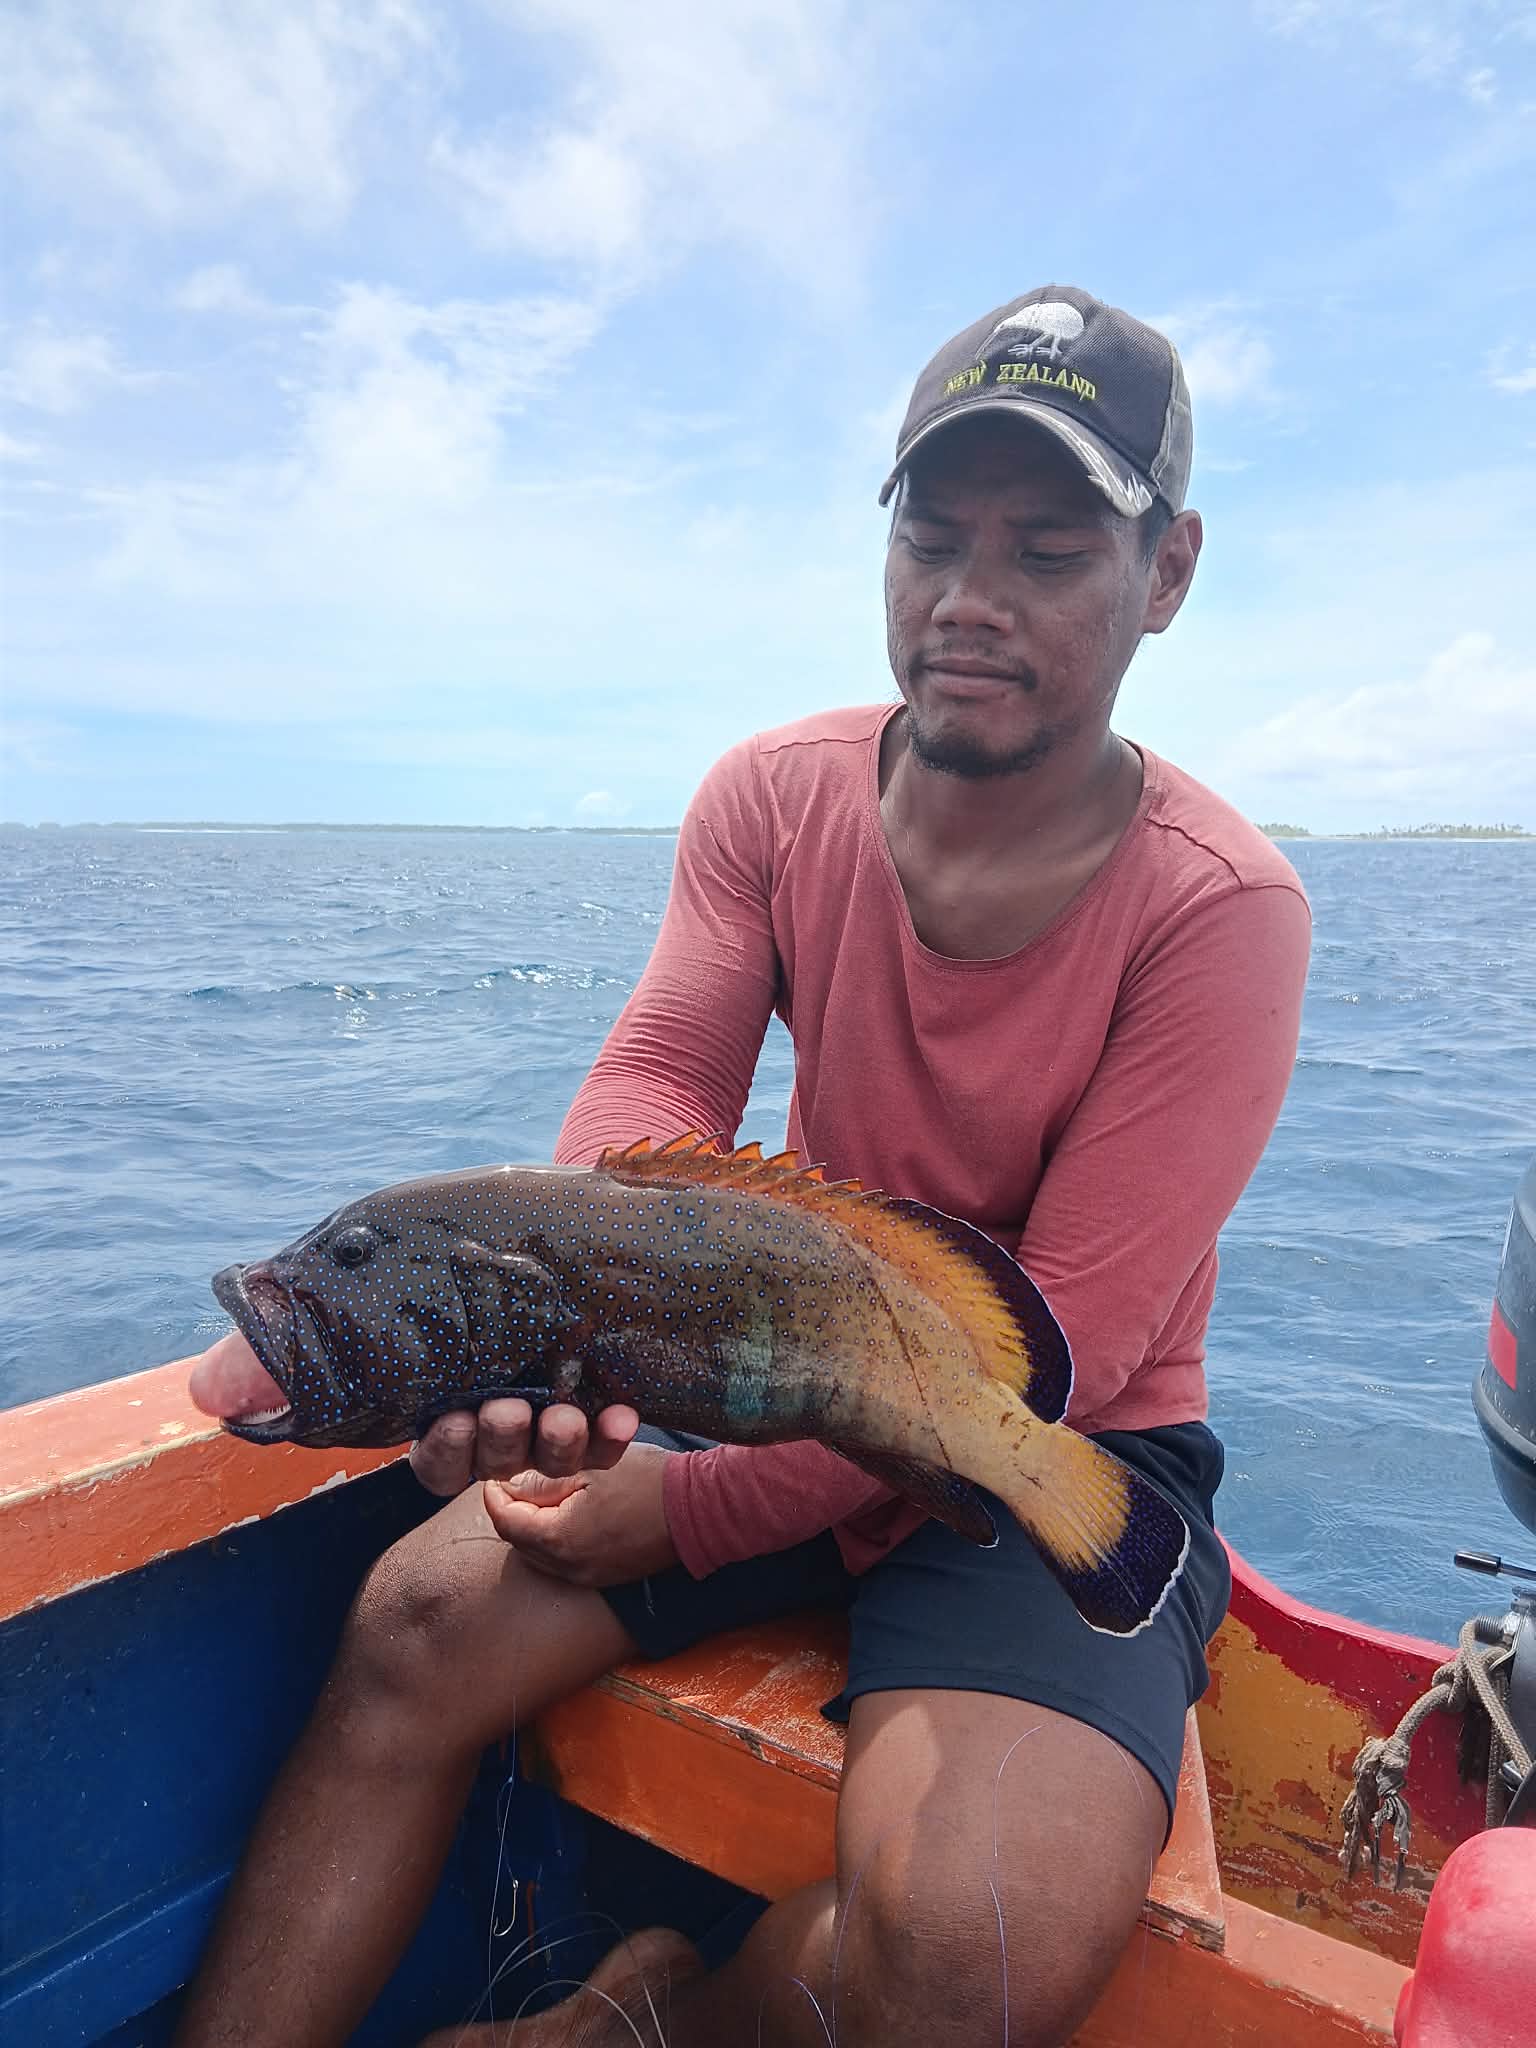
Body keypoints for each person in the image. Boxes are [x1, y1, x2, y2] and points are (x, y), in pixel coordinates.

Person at [175, 285, 1311, 2048]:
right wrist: (558, 1322)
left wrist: (684, 1500)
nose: (969, 603)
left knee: (971, 1949)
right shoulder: (769, 799)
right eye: (931, 540)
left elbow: (1058, 1343)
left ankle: (656, 2015)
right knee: (411, 1625)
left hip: (1041, 1451)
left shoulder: (1222, 910)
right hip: (769, 1364)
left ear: (1166, 575)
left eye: (1049, 552)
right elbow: (653, 1076)